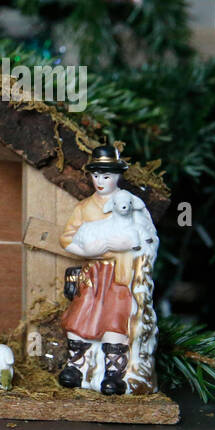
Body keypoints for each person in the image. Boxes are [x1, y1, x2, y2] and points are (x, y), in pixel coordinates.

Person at [57, 146, 158, 395]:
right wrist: (94, 250)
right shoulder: (84, 208)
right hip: (93, 275)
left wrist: (129, 250)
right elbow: (67, 239)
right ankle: (76, 367)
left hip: (120, 276)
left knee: (115, 320)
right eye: (96, 176)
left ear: (117, 177)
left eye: (107, 176)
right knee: (81, 317)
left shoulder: (133, 205)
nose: (101, 182)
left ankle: (114, 374)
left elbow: (148, 239)